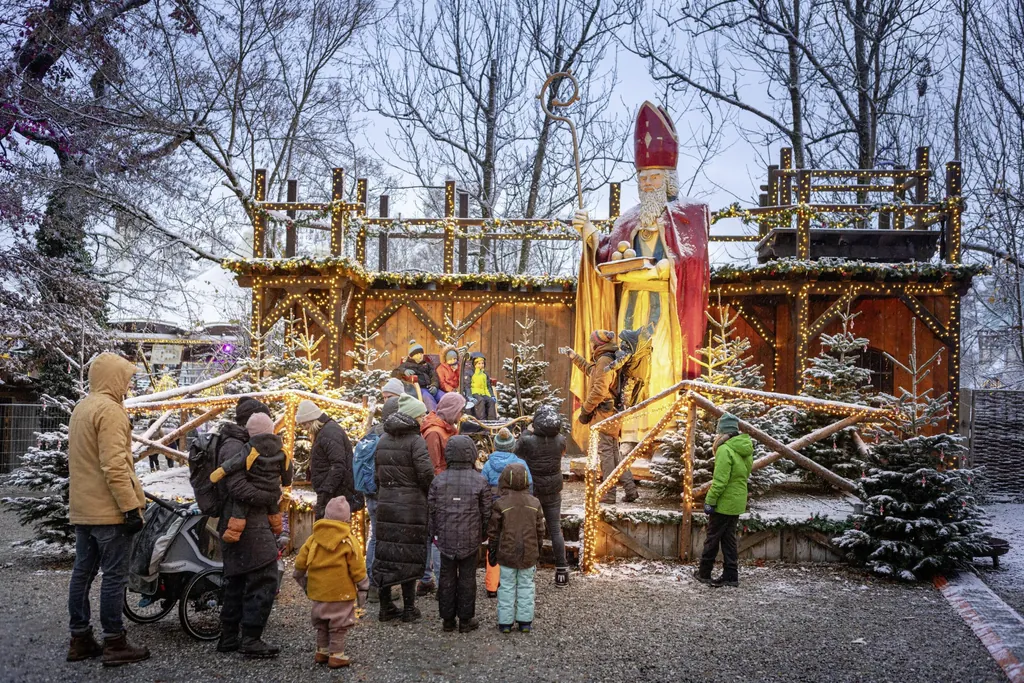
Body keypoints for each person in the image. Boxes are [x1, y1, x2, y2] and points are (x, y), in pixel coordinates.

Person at [570, 102, 710, 446]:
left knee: (659, 367)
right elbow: (605, 256)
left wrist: (664, 268)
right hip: (630, 301)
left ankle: (666, 435)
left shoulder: (689, 215)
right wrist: (589, 233)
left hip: (665, 307)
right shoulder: (628, 220)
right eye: (643, 178)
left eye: (654, 178)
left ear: (669, 180)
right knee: (626, 366)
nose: (647, 184)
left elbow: (692, 263)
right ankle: (628, 433)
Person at [66, 353, 150, 666]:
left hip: (84, 510)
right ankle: (115, 642)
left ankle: (80, 637)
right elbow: (114, 464)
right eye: (126, 376)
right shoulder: (111, 411)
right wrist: (130, 507)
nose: (129, 383)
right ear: (114, 378)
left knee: (82, 573)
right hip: (109, 511)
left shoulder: (82, 407)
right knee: (115, 577)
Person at [216, 397, 285, 658]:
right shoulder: (237, 447)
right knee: (264, 577)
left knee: (237, 579)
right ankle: (251, 639)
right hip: (248, 525)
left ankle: (230, 637)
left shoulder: (235, 442)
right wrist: (269, 497)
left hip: (238, 523)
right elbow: (236, 487)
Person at [373, 394, 434, 623]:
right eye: (420, 415)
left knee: (386, 554)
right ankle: (409, 609)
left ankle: (385, 606)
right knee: (409, 554)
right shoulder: (415, 441)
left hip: (387, 504)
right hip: (411, 507)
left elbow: (376, 474)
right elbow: (426, 473)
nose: (423, 418)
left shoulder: (383, 439)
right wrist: (429, 495)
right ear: (412, 417)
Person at [293, 496, 369, 669]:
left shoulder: (314, 538)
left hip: (318, 590)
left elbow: (301, 561)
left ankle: (322, 651)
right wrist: (363, 585)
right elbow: (357, 567)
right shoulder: (348, 540)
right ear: (346, 519)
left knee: (322, 622)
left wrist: (300, 577)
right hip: (340, 591)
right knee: (338, 624)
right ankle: (337, 655)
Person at [428, 435, 490, 633]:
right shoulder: (479, 481)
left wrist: (433, 534)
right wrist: (483, 534)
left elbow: (431, 511)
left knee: (446, 577)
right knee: (467, 578)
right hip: (470, 537)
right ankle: (465, 619)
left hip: (445, 538)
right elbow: (486, 511)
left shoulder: (438, 480)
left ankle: (447, 620)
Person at [577, 330, 639, 504]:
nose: (590, 345)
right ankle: (630, 489)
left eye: (591, 342)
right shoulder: (609, 358)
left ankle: (608, 493)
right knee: (614, 453)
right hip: (612, 412)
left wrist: (585, 411)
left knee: (606, 454)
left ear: (597, 344)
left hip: (604, 413)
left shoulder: (605, 359)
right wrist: (575, 357)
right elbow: (592, 371)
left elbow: (599, 390)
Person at [211, 412, 291, 542]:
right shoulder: (281, 448)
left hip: (255, 484)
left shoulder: (250, 447)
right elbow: (287, 467)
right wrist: (287, 482)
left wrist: (222, 470)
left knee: (239, 508)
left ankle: (233, 533)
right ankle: (278, 529)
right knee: (274, 510)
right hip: (272, 487)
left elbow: (237, 461)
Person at [695, 413, 754, 588]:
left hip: (724, 502)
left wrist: (710, 501)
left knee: (712, 538)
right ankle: (730, 575)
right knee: (729, 539)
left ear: (722, 432)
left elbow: (720, 481)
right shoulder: (745, 448)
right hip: (737, 501)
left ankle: (704, 572)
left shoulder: (724, 449)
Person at [417, 392, 467, 595]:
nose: (462, 414)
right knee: (436, 538)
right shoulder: (434, 433)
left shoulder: (445, 429)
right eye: (461, 410)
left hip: (443, 487)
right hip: (437, 491)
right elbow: (432, 466)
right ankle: (436, 581)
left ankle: (429, 579)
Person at [487, 462, 545, 633]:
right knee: (526, 586)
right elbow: (540, 530)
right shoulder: (534, 503)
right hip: (529, 551)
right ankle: (525, 621)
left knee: (506, 586)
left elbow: (494, 532)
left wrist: (492, 551)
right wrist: (538, 549)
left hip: (507, 552)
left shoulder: (501, 503)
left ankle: (505, 623)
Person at [515, 405, 570, 586]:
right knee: (555, 529)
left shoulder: (527, 441)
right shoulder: (560, 440)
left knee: (532, 528)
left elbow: (516, 453)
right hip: (553, 489)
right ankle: (561, 571)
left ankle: (532, 566)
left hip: (534, 490)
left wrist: (526, 431)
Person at [480, 428, 532, 598]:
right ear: (512, 446)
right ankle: (513, 583)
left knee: (493, 544)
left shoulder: (488, 465)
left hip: (495, 508)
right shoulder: (521, 464)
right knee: (513, 542)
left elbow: (482, 488)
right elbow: (529, 485)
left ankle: (492, 585)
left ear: (495, 446)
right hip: (516, 509)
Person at [296, 399, 364, 519]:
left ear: (312, 420)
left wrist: (326, 491)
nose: (304, 428)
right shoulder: (326, 431)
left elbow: (338, 465)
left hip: (335, 495)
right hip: (334, 493)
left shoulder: (328, 432)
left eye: (304, 424)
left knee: (327, 532)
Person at [364, 396, 400, 604]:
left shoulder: (372, 432)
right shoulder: (391, 436)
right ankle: (384, 586)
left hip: (371, 493)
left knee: (375, 538)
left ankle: (374, 586)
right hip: (387, 493)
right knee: (386, 540)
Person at [392, 341, 441, 411]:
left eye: (421, 353)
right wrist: (404, 371)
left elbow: (434, 375)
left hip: (430, 387)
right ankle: (434, 415)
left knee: (443, 396)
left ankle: (448, 414)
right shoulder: (407, 364)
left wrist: (434, 385)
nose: (420, 355)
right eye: (417, 354)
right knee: (428, 398)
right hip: (419, 388)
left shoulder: (427, 364)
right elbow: (394, 373)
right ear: (411, 356)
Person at [462, 352, 497, 420]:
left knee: (490, 401)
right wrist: (469, 396)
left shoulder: (484, 374)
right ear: (474, 364)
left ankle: (492, 419)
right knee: (480, 401)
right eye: (479, 363)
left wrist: (492, 395)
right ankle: (481, 419)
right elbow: (467, 386)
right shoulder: (469, 373)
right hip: (474, 393)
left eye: (482, 363)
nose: (481, 365)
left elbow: (488, 386)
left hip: (484, 393)